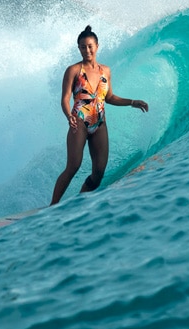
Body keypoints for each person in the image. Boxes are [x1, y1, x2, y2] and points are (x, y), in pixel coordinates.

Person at [50, 26, 149, 205]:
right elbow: (65, 99)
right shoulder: (73, 71)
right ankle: (52, 206)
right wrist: (68, 115)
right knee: (73, 166)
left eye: (90, 46)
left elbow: (109, 97)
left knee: (99, 172)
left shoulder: (106, 71)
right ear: (78, 48)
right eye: (82, 47)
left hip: (100, 123)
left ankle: (80, 201)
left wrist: (132, 102)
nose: (86, 50)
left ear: (97, 46)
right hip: (79, 121)